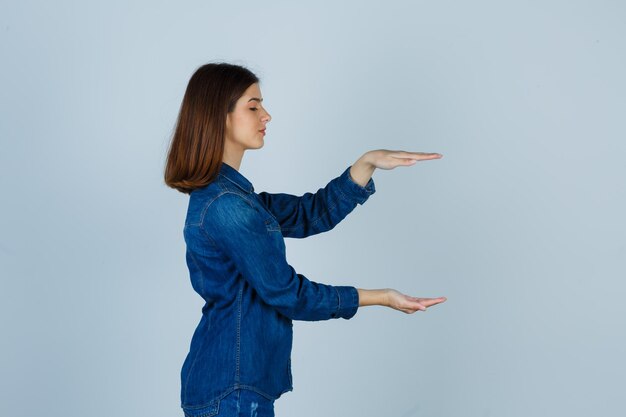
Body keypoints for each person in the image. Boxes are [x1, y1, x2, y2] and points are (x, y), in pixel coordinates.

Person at [164, 62, 447, 417]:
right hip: (231, 390)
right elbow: (287, 293)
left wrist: (365, 165)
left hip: (235, 385)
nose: (266, 115)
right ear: (218, 116)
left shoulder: (236, 198)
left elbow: (306, 214)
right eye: (253, 106)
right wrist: (381, 297)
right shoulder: (226, 206)